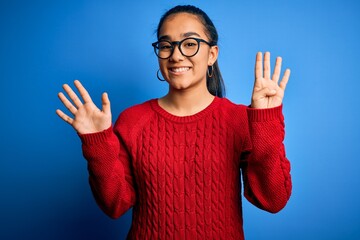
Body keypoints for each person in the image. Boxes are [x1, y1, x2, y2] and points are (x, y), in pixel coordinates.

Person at [56, 5, 292, 240]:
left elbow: (273, 199)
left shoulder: (239, 120)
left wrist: (266, 122)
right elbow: (114, 205)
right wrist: (98, 143)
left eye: (190, 44)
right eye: (166, 45)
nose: (176, 55)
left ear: (212, 54)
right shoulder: (132, 120)